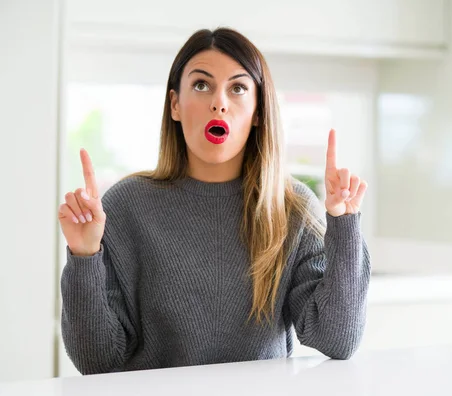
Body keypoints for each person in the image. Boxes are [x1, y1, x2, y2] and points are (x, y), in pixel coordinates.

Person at [58, 27, 371, 375]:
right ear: (175, 104)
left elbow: (337, 340)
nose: (218, 102)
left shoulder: (293, 207)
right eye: (201, 85)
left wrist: (344, 224)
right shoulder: (126, 205)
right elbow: (96, 361)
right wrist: (84, 258)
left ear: (257, 113)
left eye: (237, 88)